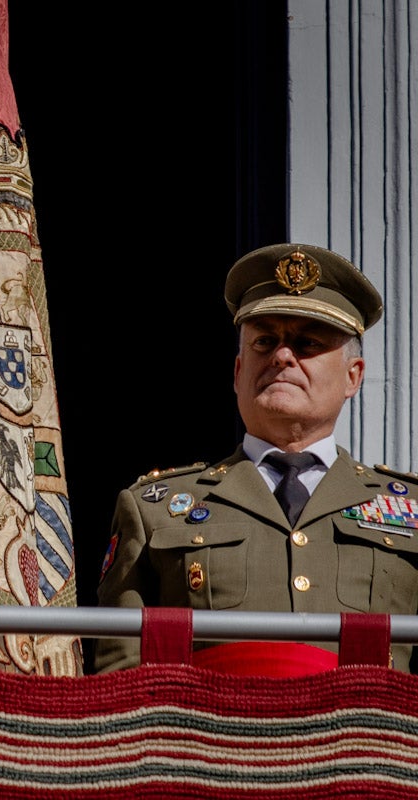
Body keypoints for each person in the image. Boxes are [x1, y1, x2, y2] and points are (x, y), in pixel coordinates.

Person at [94, 242, 418, 676]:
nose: (282, 356)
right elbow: (121, 671)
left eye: (306, 343)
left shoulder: (412, 511)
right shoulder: (154, 508)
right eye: (265, 341)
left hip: (369, 741)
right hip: (208, 740)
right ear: (237, 372)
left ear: (352, 376)